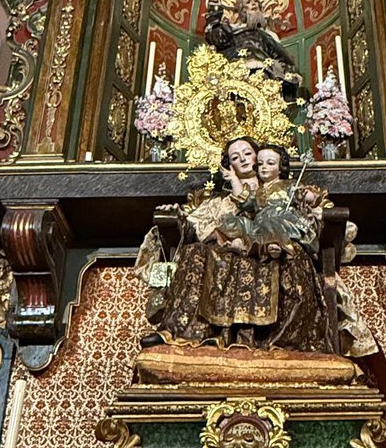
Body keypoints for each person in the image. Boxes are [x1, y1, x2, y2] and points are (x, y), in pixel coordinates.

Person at [139, 137, 334, 353]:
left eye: (248, 153)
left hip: (272, 244)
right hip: (227, 250)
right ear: (228, 165)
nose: (242, 159)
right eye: (235, 157)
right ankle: (181, 331)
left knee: (291, 255)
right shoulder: (219, 201)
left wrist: (310, 208)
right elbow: (194, 226)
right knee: (195, 252)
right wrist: (177, 216)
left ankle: (273, 340)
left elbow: (313, 211)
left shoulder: (284, 188)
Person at [204, 0, 303, 101]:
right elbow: (217, 40)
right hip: (236, 72)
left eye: (256, 1)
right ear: (242, 10)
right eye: (248, 2)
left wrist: (290, 73)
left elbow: (281, 56)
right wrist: (214, 17)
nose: (254, 4)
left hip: (263, 76)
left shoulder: (268, 35)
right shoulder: (233, 29)